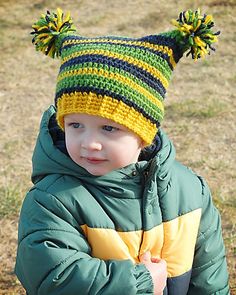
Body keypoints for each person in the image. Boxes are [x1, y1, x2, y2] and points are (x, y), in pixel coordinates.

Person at [15, 8, 230, 295]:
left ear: (144, 133)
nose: (88, 142)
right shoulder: (52, 201)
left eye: (109, 129)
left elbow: (210, 277)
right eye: (76, 124)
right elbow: (53, 277)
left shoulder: (191, 192)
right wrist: (139, 283)